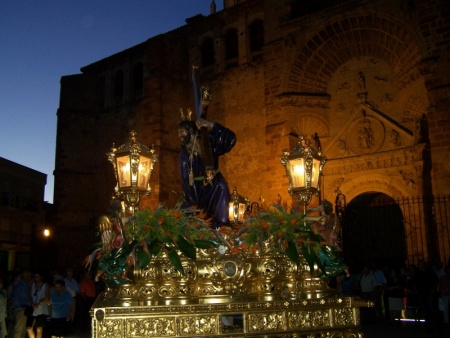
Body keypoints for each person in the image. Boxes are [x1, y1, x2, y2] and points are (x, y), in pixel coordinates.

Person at [177, 116, 236, 228]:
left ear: (190, 130)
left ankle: (222, 227)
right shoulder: (184, 155)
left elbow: (230, 139)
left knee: (222, 185)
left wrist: (211, 125)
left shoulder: (208, 143)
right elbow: (185, 180)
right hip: (197, 193)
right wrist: (193, 205)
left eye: (181, 131)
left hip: (214, 187)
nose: (179, 135)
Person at [26, 271, 49, 338]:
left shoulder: (45, 285)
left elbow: (47, 296)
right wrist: (32, 303)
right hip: (33, 308)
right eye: (35, 276)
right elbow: (30, 295)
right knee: (29, 327)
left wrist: (40, 302)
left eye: (38, 276)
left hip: (41, 308)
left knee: (39, 328)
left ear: (41, 277)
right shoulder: (32, 284)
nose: (36, 278)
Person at [12, 270, 32, 338]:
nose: (30, 278)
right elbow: (15, 298)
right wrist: (19, 308)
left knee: (23, 330)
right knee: (19, 330)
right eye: (29, 276)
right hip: (21, 310)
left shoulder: (25, 285)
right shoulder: (20, 285)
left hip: (25, 310)